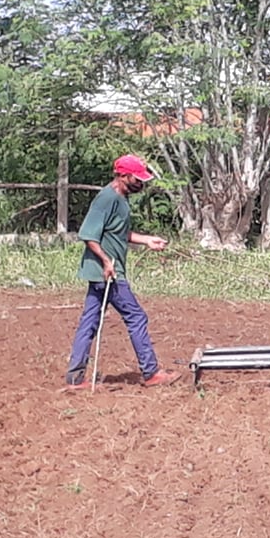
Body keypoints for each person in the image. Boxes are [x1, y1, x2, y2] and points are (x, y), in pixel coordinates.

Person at [63, 154, 181, 390]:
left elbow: (118, 233)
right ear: (123, 176)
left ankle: (75, 378)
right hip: (108, 274)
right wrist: (107, 262)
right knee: (136, 316)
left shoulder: (120, 198)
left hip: (102, 272)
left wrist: (146, 240)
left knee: (89, 321)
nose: (141, 183)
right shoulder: (106, 199)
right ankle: (151, 372)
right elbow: (88, 235)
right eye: (137, 178)